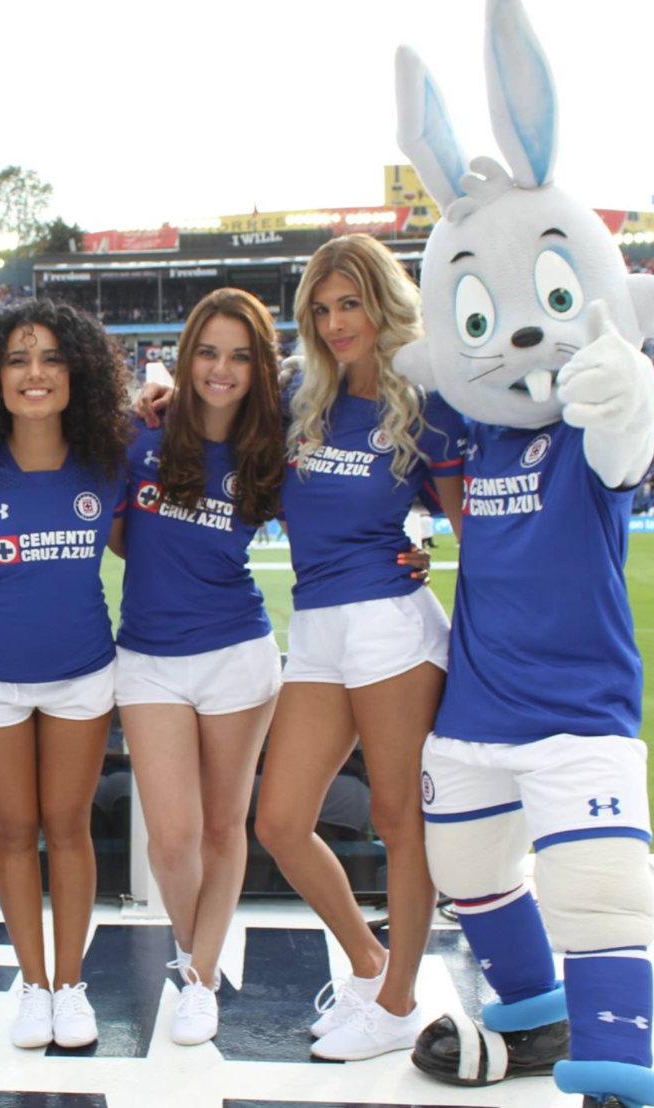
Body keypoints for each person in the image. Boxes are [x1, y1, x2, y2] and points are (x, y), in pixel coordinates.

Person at [253, 234, 464, 1061]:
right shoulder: (302, 398)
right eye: (323, 307)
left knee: (397, 820)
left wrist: (431, 554)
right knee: (278, 820)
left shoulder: (427, 402)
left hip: (392, 627)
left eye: (351, 304)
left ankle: (402, 1002)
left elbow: (464, 525)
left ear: (382, 305)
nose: (337, 322)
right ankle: (372, 966)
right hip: (315, 628)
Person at [0, 299, 133, 1050]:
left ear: (76, 370)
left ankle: (71, 984)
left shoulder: (109, 462)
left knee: (69, 827)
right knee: (16, 831)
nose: (35, 374)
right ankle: (32, 987)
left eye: (52, 358)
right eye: (18, 359)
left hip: (83, 672)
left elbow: (150, 546)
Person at [113, 289, 286, 1046]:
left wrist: (412, 556)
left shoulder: (271, 446)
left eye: (240, 355)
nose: (221, 369)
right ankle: (197, 954)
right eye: (208, 352)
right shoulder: (140, 433)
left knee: (223, 827)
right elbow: (119, 538)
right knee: (170, 838)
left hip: (237, 654)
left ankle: (200, 978)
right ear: (186, 358)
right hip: (147, 656)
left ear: (259, 368)